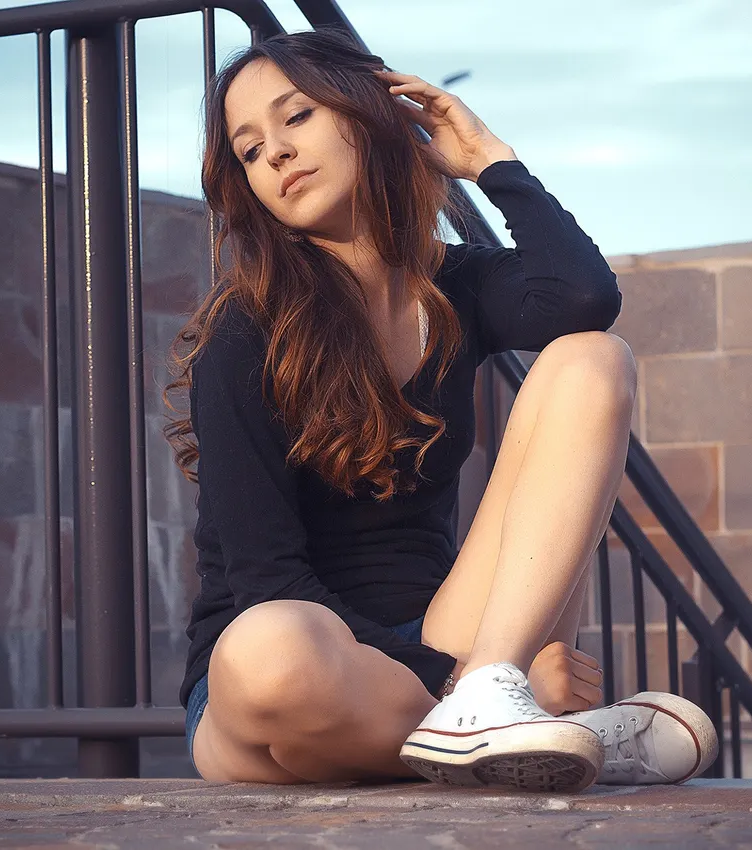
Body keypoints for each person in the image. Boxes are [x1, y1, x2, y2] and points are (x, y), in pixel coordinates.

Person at [161, 27, 717, 792]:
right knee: (269, 649)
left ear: (368, 113)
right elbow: (266, 582)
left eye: (297, 117)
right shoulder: (246, 330)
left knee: (591, 358)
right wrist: (452, 679)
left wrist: (488, 157)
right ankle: (522, 727)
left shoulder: (455, 285)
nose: (277, 154)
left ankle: (494, 712)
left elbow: (585, 296)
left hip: (454, 641)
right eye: (250, 150)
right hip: (304, 674)